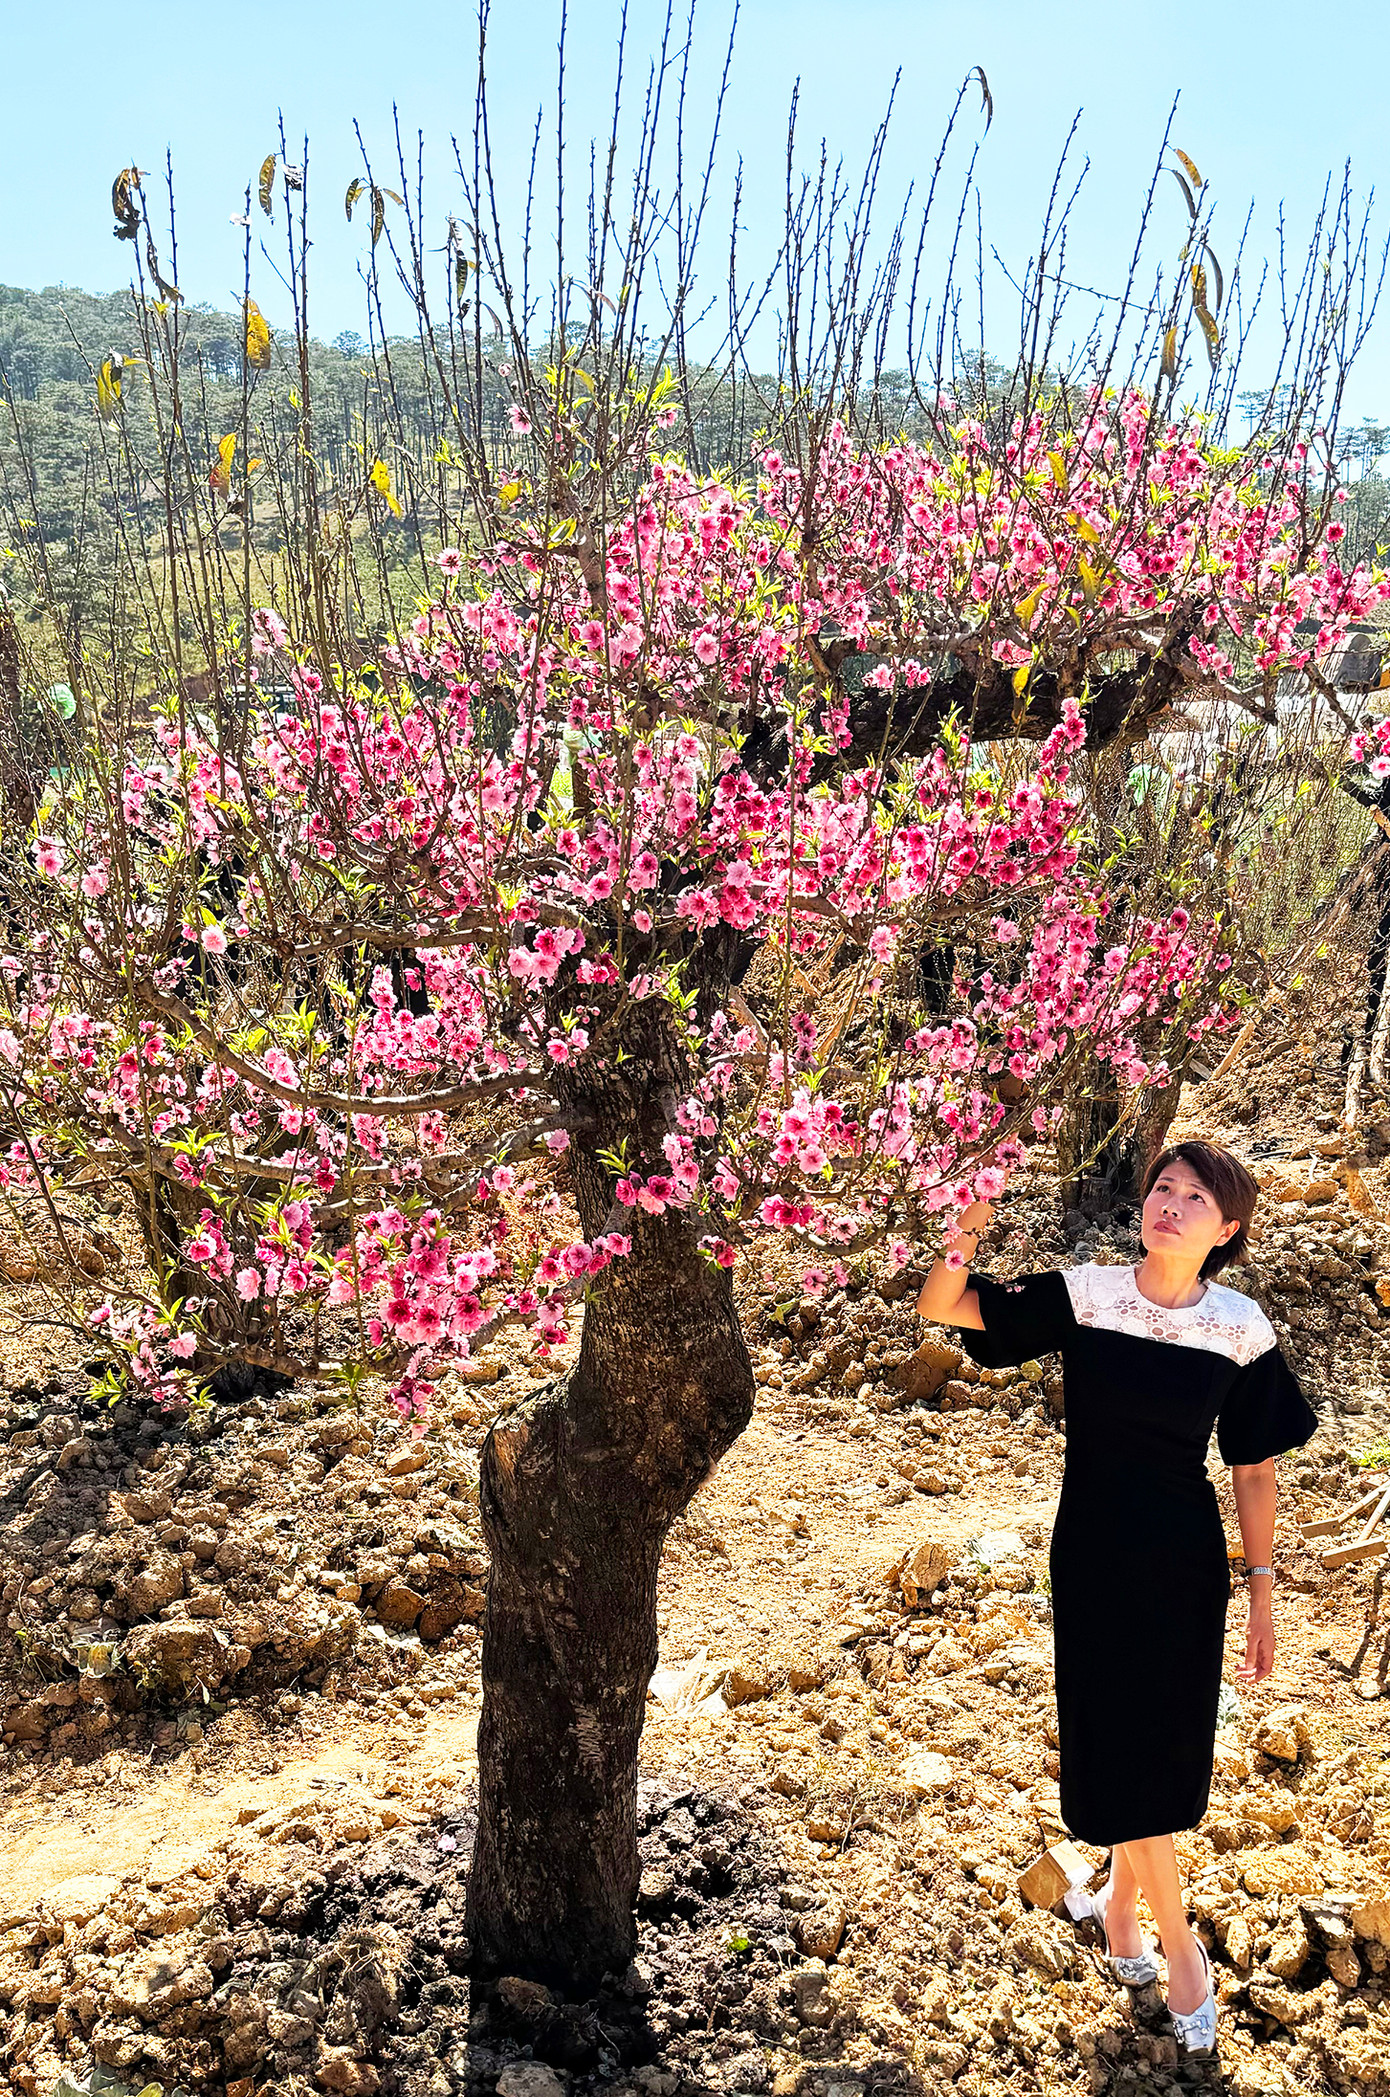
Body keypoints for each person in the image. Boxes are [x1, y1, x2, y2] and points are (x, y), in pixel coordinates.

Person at [916, 1139, 1318, 2057]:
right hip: (1093, 1553)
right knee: (1116, 1740)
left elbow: (1251, 1466)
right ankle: (1183, 1948)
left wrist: (1262, 1589)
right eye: (1161, 1188)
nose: (1170, 1204)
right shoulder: (1089, 1295)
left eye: (1194, 1196)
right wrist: (973, 1212)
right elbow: (945, 1304)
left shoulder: (1240, 1327)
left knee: (1162, 1745)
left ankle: (1125, 1908)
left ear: (1228, 1228)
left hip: (1183, 1562)